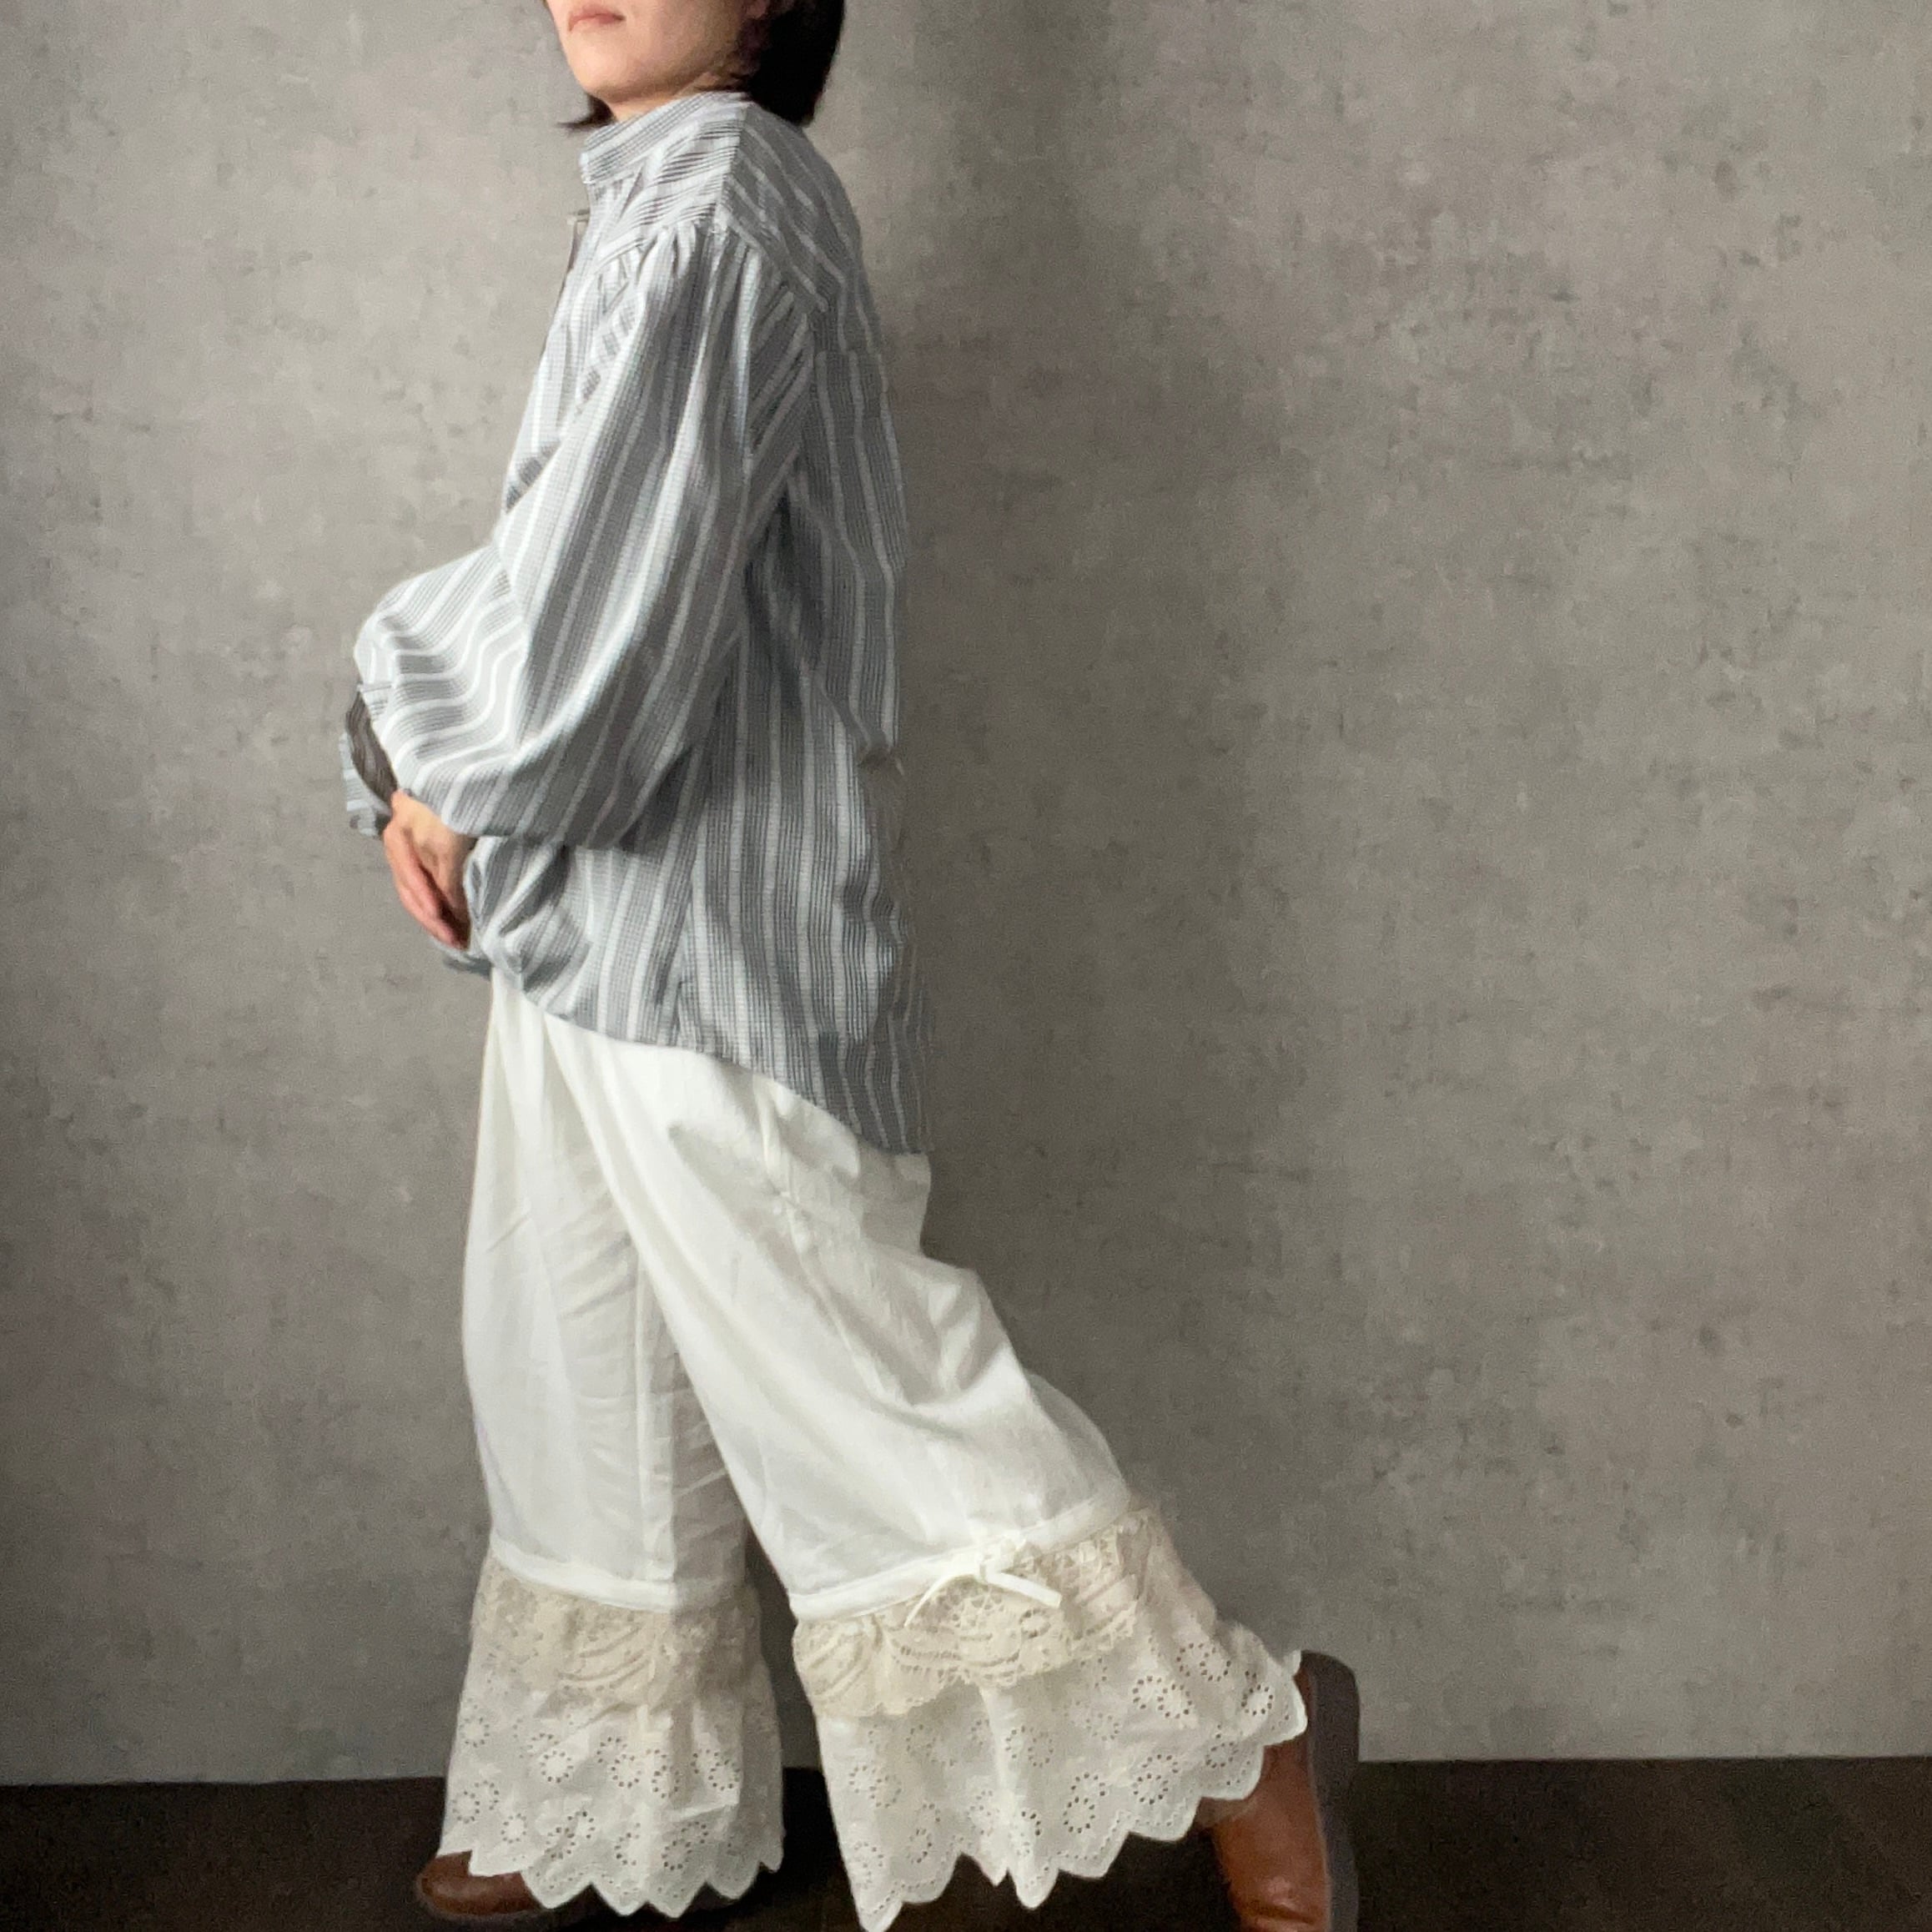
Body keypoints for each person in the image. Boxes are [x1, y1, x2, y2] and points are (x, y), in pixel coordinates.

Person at [338, 3, 1358, 1927]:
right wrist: (441, 774)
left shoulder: (724, 196)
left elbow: (601, 601)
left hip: (701, 922)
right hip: (597, 903)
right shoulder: (665, 193)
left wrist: (431, 761)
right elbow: (578, 563)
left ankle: (1253, 1727)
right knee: (573, 1356)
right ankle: (604, 1810)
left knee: (856, 1369)